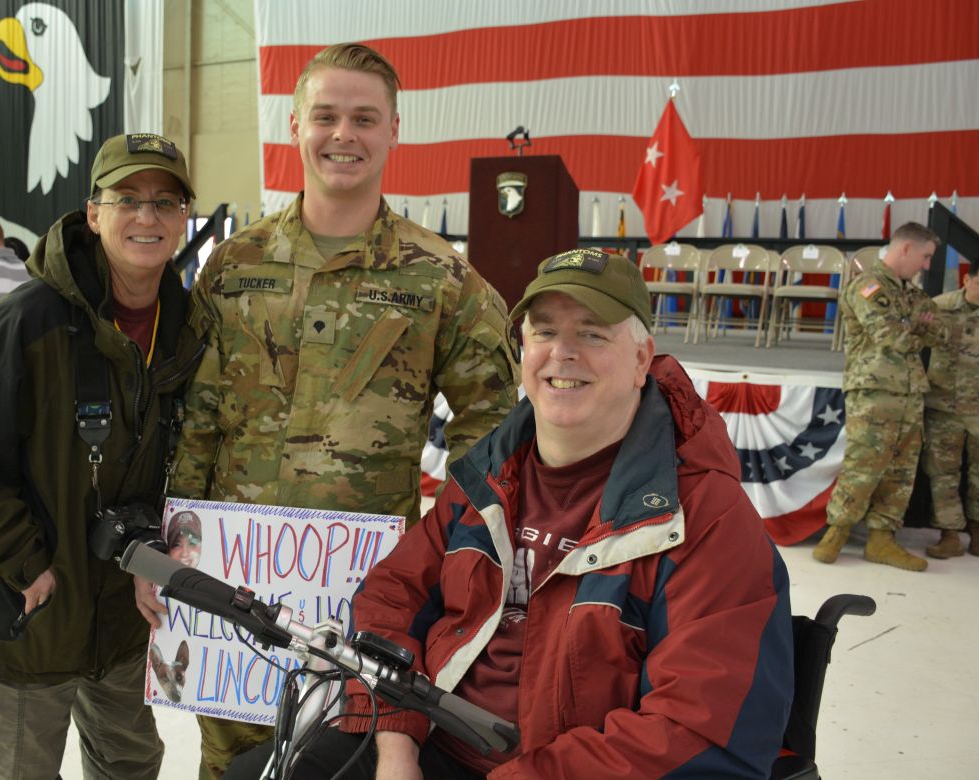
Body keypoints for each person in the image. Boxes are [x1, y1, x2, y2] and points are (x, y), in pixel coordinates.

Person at [225, 248, 794, 780]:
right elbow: (394, 593)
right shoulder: (491, 474)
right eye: (544, 331)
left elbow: (696, 729)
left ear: (642, 358)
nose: (563, 353)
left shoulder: (704, 517)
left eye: (592, 333)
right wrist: (396, 745)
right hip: (434, 745)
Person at [163, 43, 520, 778]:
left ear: (394, 130)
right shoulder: (235, 265)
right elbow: (197, 416)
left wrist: (445, 550)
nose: (343, 135)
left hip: (362, 591)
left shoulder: (441, 278)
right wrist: (175, 544)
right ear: (295, 126)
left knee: (336, 760)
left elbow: (491, 424)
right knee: (230, 763)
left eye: (364, 118)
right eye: (325, 115)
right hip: (234, 576)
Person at [0, 132, 206, 779]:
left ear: (183, 216)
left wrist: (157, 552)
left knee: (131, 764)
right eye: (127, 198)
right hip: (28, 620)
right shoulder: (27, 323)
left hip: (125, 621)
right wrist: (24, 566)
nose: (147, 216)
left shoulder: (188, 330)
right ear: (93, 214)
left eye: (165, 201)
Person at [813, 223, 954, 571]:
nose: (926, 265)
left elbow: (943, 333)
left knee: (901, 471)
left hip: (911, 392)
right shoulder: (867, 285)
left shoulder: (913, 294)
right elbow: (892, 336)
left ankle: (882, 540)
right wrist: (916, 324)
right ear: (906, 248)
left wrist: (910, 322)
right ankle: (837, 533)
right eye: (925, 256)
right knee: (863, 465)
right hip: (874, 391)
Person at [922, 261, 979, 558]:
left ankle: (978, 533)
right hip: (944, 405)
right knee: (942, 474)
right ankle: (950, 535)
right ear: (967, 279)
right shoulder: (939, 306)